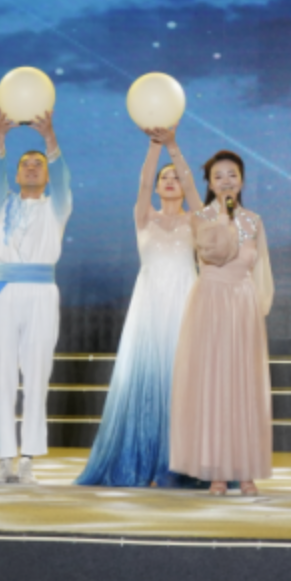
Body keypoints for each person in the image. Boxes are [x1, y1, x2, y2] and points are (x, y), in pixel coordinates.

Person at [77, 128, 200, 488]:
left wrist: (174, 148)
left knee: (181, 380)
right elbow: (143, 182)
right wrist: (154, 146)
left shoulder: (196, 219)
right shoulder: (144, 215)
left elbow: (193, 187)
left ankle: (179, 465)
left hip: (185, 302)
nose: (171, 181)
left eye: (176, 177)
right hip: (149, 305)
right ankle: (141, 461)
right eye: (165, 177)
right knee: (147, 379)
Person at [169, 148, 275, 496]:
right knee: (213, 386)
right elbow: (216, 252)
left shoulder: (254, 221)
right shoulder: (200, 216)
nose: (226, 181)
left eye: (232, 174)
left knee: (243, 387)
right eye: (218, 176)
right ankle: (216, 472)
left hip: (242, 307)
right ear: (210, 184)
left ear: (242, 180)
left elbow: (260, 270)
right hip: (211, 304)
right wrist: (172, 147)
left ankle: (245, 472)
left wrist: (256, 310)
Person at [0, 107, 69, 485]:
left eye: (39, 164)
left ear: (47, 175)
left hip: (43, 293)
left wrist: (49, 138)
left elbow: (64, 177)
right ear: (16, 175)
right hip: (5, 292)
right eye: (25, 165)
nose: (32, 168)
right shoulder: (1, 205)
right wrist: (0, 137)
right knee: (2, 374)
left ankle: (29, 458)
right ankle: (5, 458)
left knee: (37, 374)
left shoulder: (58, 206)